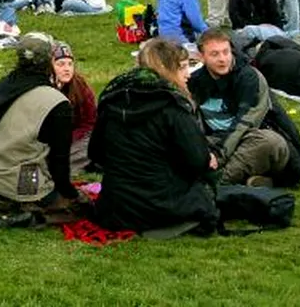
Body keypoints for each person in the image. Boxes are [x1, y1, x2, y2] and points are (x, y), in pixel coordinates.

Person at [89, 39, 218, 234]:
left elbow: (96, 153)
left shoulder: (112, 98)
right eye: (182, 67)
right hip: (160, 206)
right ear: (167, 68)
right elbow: (198, 161)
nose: (187, 74)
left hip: (116, 208)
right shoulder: (172, 105)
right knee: (207, 185)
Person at [0, 35, 85, 227]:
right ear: (49, 61)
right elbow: (59, 164)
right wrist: (71, 195)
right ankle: (22, 217)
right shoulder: (55, 102)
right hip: (20, 185)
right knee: (79, 209)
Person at [188, 29, 289, 187]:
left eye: (226, 52)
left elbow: (245, 123)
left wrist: (217, 154)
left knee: (270, 142)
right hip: (212, 141)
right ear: (202, 57)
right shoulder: (194, 81)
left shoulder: (250, 78)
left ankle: (214, 184)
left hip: (248, 138)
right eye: (215, 54)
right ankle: (248, 181)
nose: (223, 59)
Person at [51, 42, 96, 172]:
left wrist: (70, 138)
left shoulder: (80, 86)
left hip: (76, 139)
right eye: (61, 64)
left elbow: (90, 122)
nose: (67, 69)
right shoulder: (42, 88)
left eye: (70, 64)